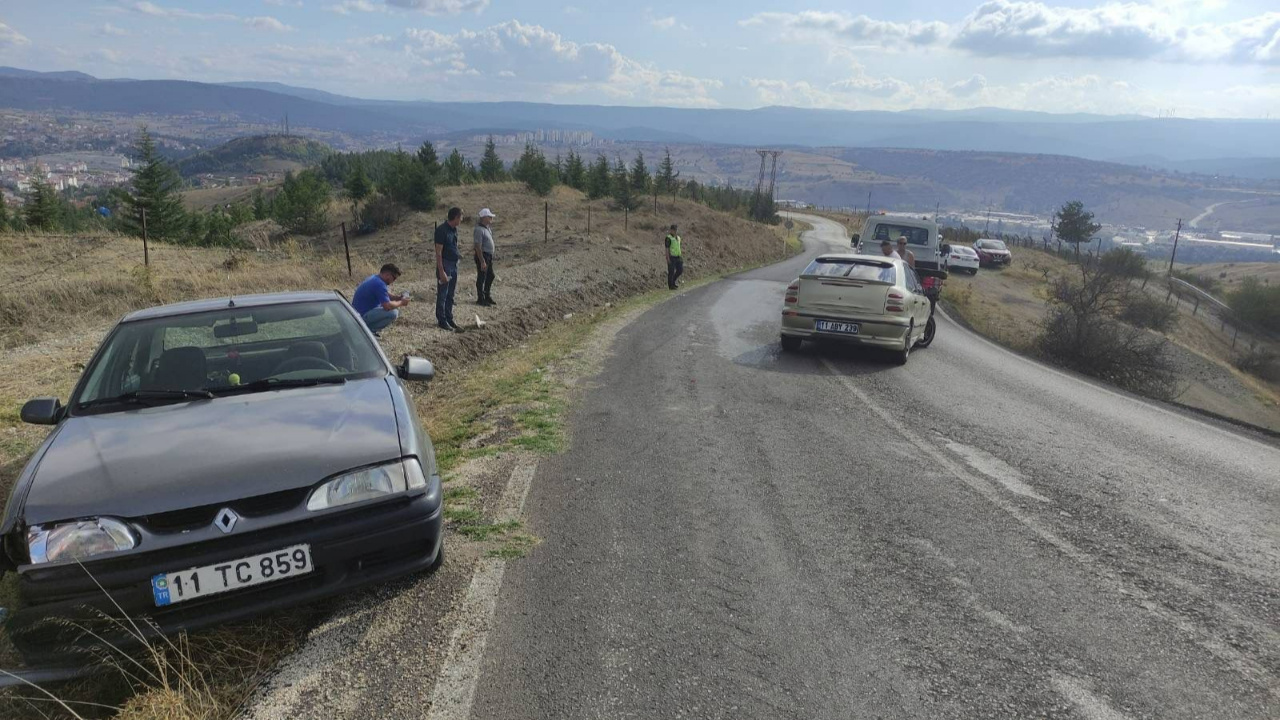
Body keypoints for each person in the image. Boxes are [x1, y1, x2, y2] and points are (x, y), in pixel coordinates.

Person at [351, 263, 409, 336]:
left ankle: (366, 330)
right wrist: (401, 302)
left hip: (357, 314)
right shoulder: (379, 284)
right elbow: (387, 306)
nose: (394, 281)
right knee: (393, 313)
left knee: (390, 308)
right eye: (394, 278)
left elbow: (385, 294)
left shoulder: (374, 278)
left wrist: (397, 298)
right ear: (388, 275)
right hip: (361, 317)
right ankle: (368, 332)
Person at [435, 207, 463, 332]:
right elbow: (438, 253)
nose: (462, 219)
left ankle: (449, 317)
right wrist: (441, 271)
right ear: (456, 217)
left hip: (454, 264)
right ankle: (442, 320)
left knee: (450, 294)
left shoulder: (454, 230)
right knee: (443, 294)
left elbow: (453, 245)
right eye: (461, 217)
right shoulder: (441, 230)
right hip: (445, 264)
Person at [474, 207, 497, 306]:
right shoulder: (479, 230)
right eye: (489, 217)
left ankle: (486, 295)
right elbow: (477, 246)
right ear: (484, 218)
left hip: (488, 256)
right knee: (482, 277)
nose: (491, 218)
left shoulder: (487, 229)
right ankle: (481, 298)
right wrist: (482, 260)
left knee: (490, 275)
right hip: (483, 256)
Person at [664, 224, 684, 290]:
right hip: (671, 257)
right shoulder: (668, 238)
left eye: (676, 230)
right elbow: (667, 248)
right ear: (671, 230)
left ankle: (673, 281)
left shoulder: (678, 238)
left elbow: (678, 247)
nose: (675, 231)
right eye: (673, 230)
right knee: (671, 272)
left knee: (680, 270)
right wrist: (667, 258)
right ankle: (671, 286)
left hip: (678, 256)